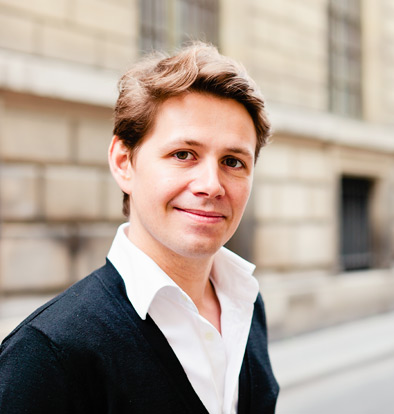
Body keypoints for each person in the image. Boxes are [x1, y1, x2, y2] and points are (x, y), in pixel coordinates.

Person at [0, 42, 279, 414]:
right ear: (123, 163)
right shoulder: (47, 353)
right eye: (183, 154)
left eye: (233, 161)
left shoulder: (245, 304)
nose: (211, 185)